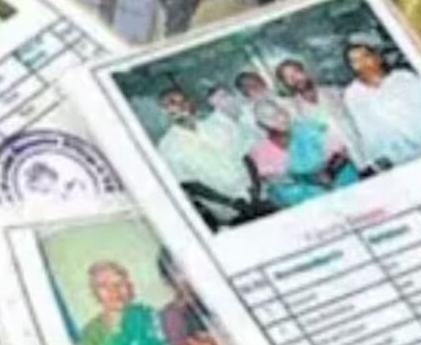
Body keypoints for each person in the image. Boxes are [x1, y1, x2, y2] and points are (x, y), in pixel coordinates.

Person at [341, 37, 421, 169]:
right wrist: (380, 157)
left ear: (378, 58)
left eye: (365, 56)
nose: (363, 63)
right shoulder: (353, 94)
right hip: (399, 157)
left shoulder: (404, 77)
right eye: (355, 61)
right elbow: (365, 128)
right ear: (351, 67)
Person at [79, 261, 184, 345]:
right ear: (94, 293)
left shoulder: (146, 315)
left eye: (119, 283)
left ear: (129, 287)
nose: (114, 291)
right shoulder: (91, 334)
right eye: (103, 286)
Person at [155, 87, 256, 226]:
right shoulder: (167, 146)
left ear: (191, 103)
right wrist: (230, 202)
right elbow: (189, 183)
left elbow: (246, 156)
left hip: (257, 195)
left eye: (183, 101)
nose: (180, 106)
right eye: (172, 103)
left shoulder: (219, 125)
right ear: (164, 111)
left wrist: (255, 190)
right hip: (230, 211)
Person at [248, 103, 359, 208]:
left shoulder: (310, 128)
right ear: (261, 125)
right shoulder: (261, 152)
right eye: (270, 118)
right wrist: (308, 179)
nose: (280, 119)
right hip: (305, 200)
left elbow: (340, 153)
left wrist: (329, 173)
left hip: (340, 185)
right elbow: (275, 182)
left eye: (280, 112)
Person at [274, 58, 366, 168]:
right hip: (339, 167)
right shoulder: (293, 112)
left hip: (365, 152)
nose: (295, 79)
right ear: (285, 83)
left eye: (296, 72)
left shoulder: (336, 93)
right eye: (288, 77)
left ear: (305, 72)